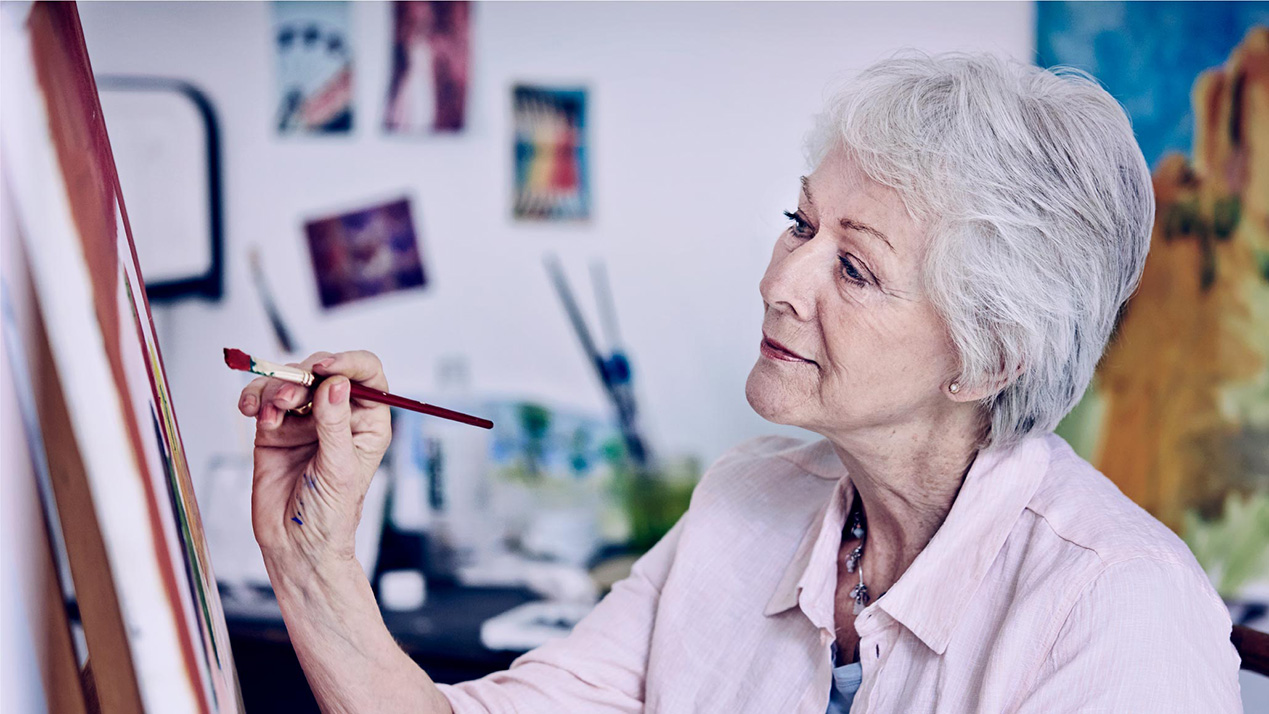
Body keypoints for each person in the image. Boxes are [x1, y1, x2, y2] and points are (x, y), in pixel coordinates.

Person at [237, 53, 1244, 712]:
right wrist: (311, 558)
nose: (779, 283)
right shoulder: (744, 501)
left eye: (854, 269)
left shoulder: (1116, 609)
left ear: (988, 356)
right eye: (800, 224)